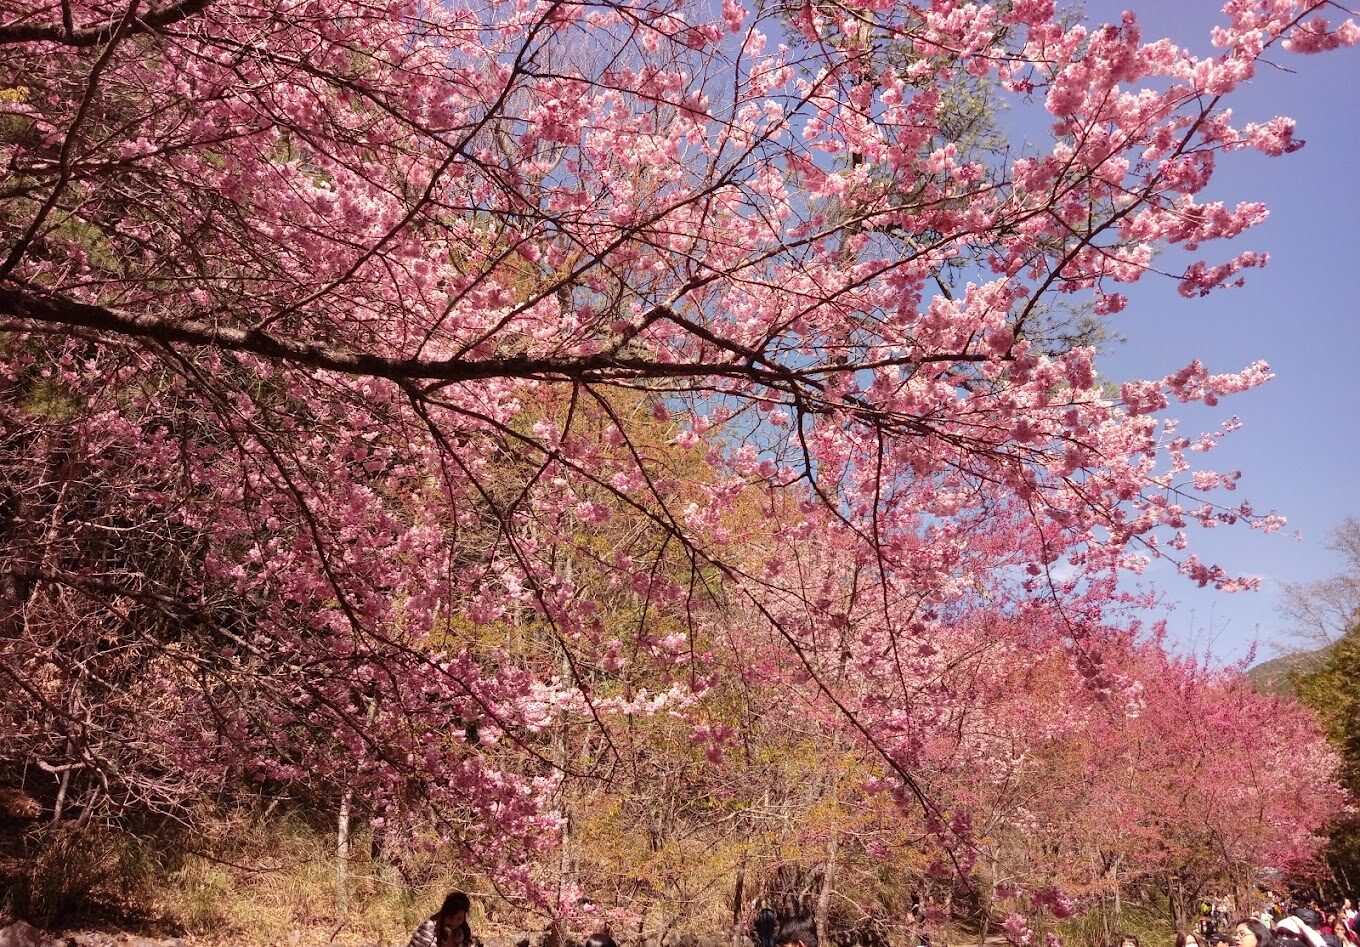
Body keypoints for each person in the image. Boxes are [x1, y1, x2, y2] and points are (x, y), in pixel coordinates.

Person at [408, 892, 474, 947]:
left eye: (459, 919)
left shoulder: (464, 931)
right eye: (451, 918)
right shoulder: (430, 928)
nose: (454, 922)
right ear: (445, 914)